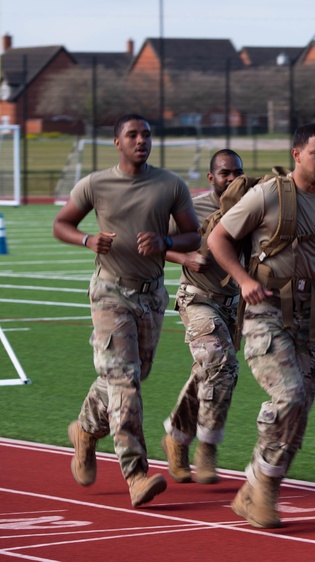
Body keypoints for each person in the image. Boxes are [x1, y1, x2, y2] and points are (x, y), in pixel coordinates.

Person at [208, 123, 315, 529]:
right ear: (297, 154)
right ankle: (261, 487)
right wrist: (244, 282)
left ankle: (258, 487)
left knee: (299, 413)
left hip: (307, 316)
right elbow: (218, 239)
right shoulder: (268, 195)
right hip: (265, 309)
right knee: (289, 395)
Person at [52, 113, 201, 508]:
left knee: (129, 376)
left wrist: (166, 239)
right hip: (110, 293)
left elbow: (192, 234)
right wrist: (87, 239)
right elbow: (61, 224)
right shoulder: (96, 184)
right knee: (124, 383)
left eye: (146, 135)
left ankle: (85, 430)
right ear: (117, 142)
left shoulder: (170, 184)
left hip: (151, 297)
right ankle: (135, 474)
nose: (141, 140)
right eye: (132, 135)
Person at [161, 149, 245, 485]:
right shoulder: (192, 210)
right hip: (196, 298)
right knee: (222, 365)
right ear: (211, 178)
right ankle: (207, 446)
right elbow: (155, 244)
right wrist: (185, 257)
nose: (232, 178)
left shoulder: (250, 208)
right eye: (225, 173)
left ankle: (176, 438)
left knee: (208, 371)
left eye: (237, 172)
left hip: (233, 303)